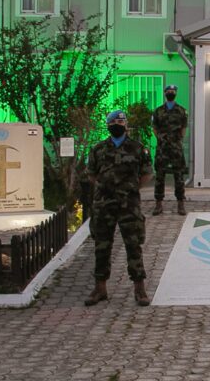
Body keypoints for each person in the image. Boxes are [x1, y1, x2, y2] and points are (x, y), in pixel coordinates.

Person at [85, 110, 153, 307]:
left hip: (129, 205)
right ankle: (100, 288)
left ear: (126, 125)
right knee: (101, 246)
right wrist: (107, 188)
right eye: (114, 122)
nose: (118, 125)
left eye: (121, 122)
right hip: (103, 204)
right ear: (108, 125)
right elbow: (92, 175)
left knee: (133, 246)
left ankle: (139, 288)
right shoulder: (98, 149)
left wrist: (129, 189)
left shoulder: (138, 148)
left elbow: (146, 174)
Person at [152, 84, 189, 216]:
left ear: (176, 93)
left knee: (178, 176)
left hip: (176, 147)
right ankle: (158, 204)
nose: (171, 93)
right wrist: (162, 139)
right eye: (169, 91)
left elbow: (183, 129)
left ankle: (180, 204)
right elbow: (155, 128)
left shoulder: (181, 111)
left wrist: (176, 139)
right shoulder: (158, 111)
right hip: (162, 148)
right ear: (165, 93)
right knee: (159, 176)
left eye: (173, 91)